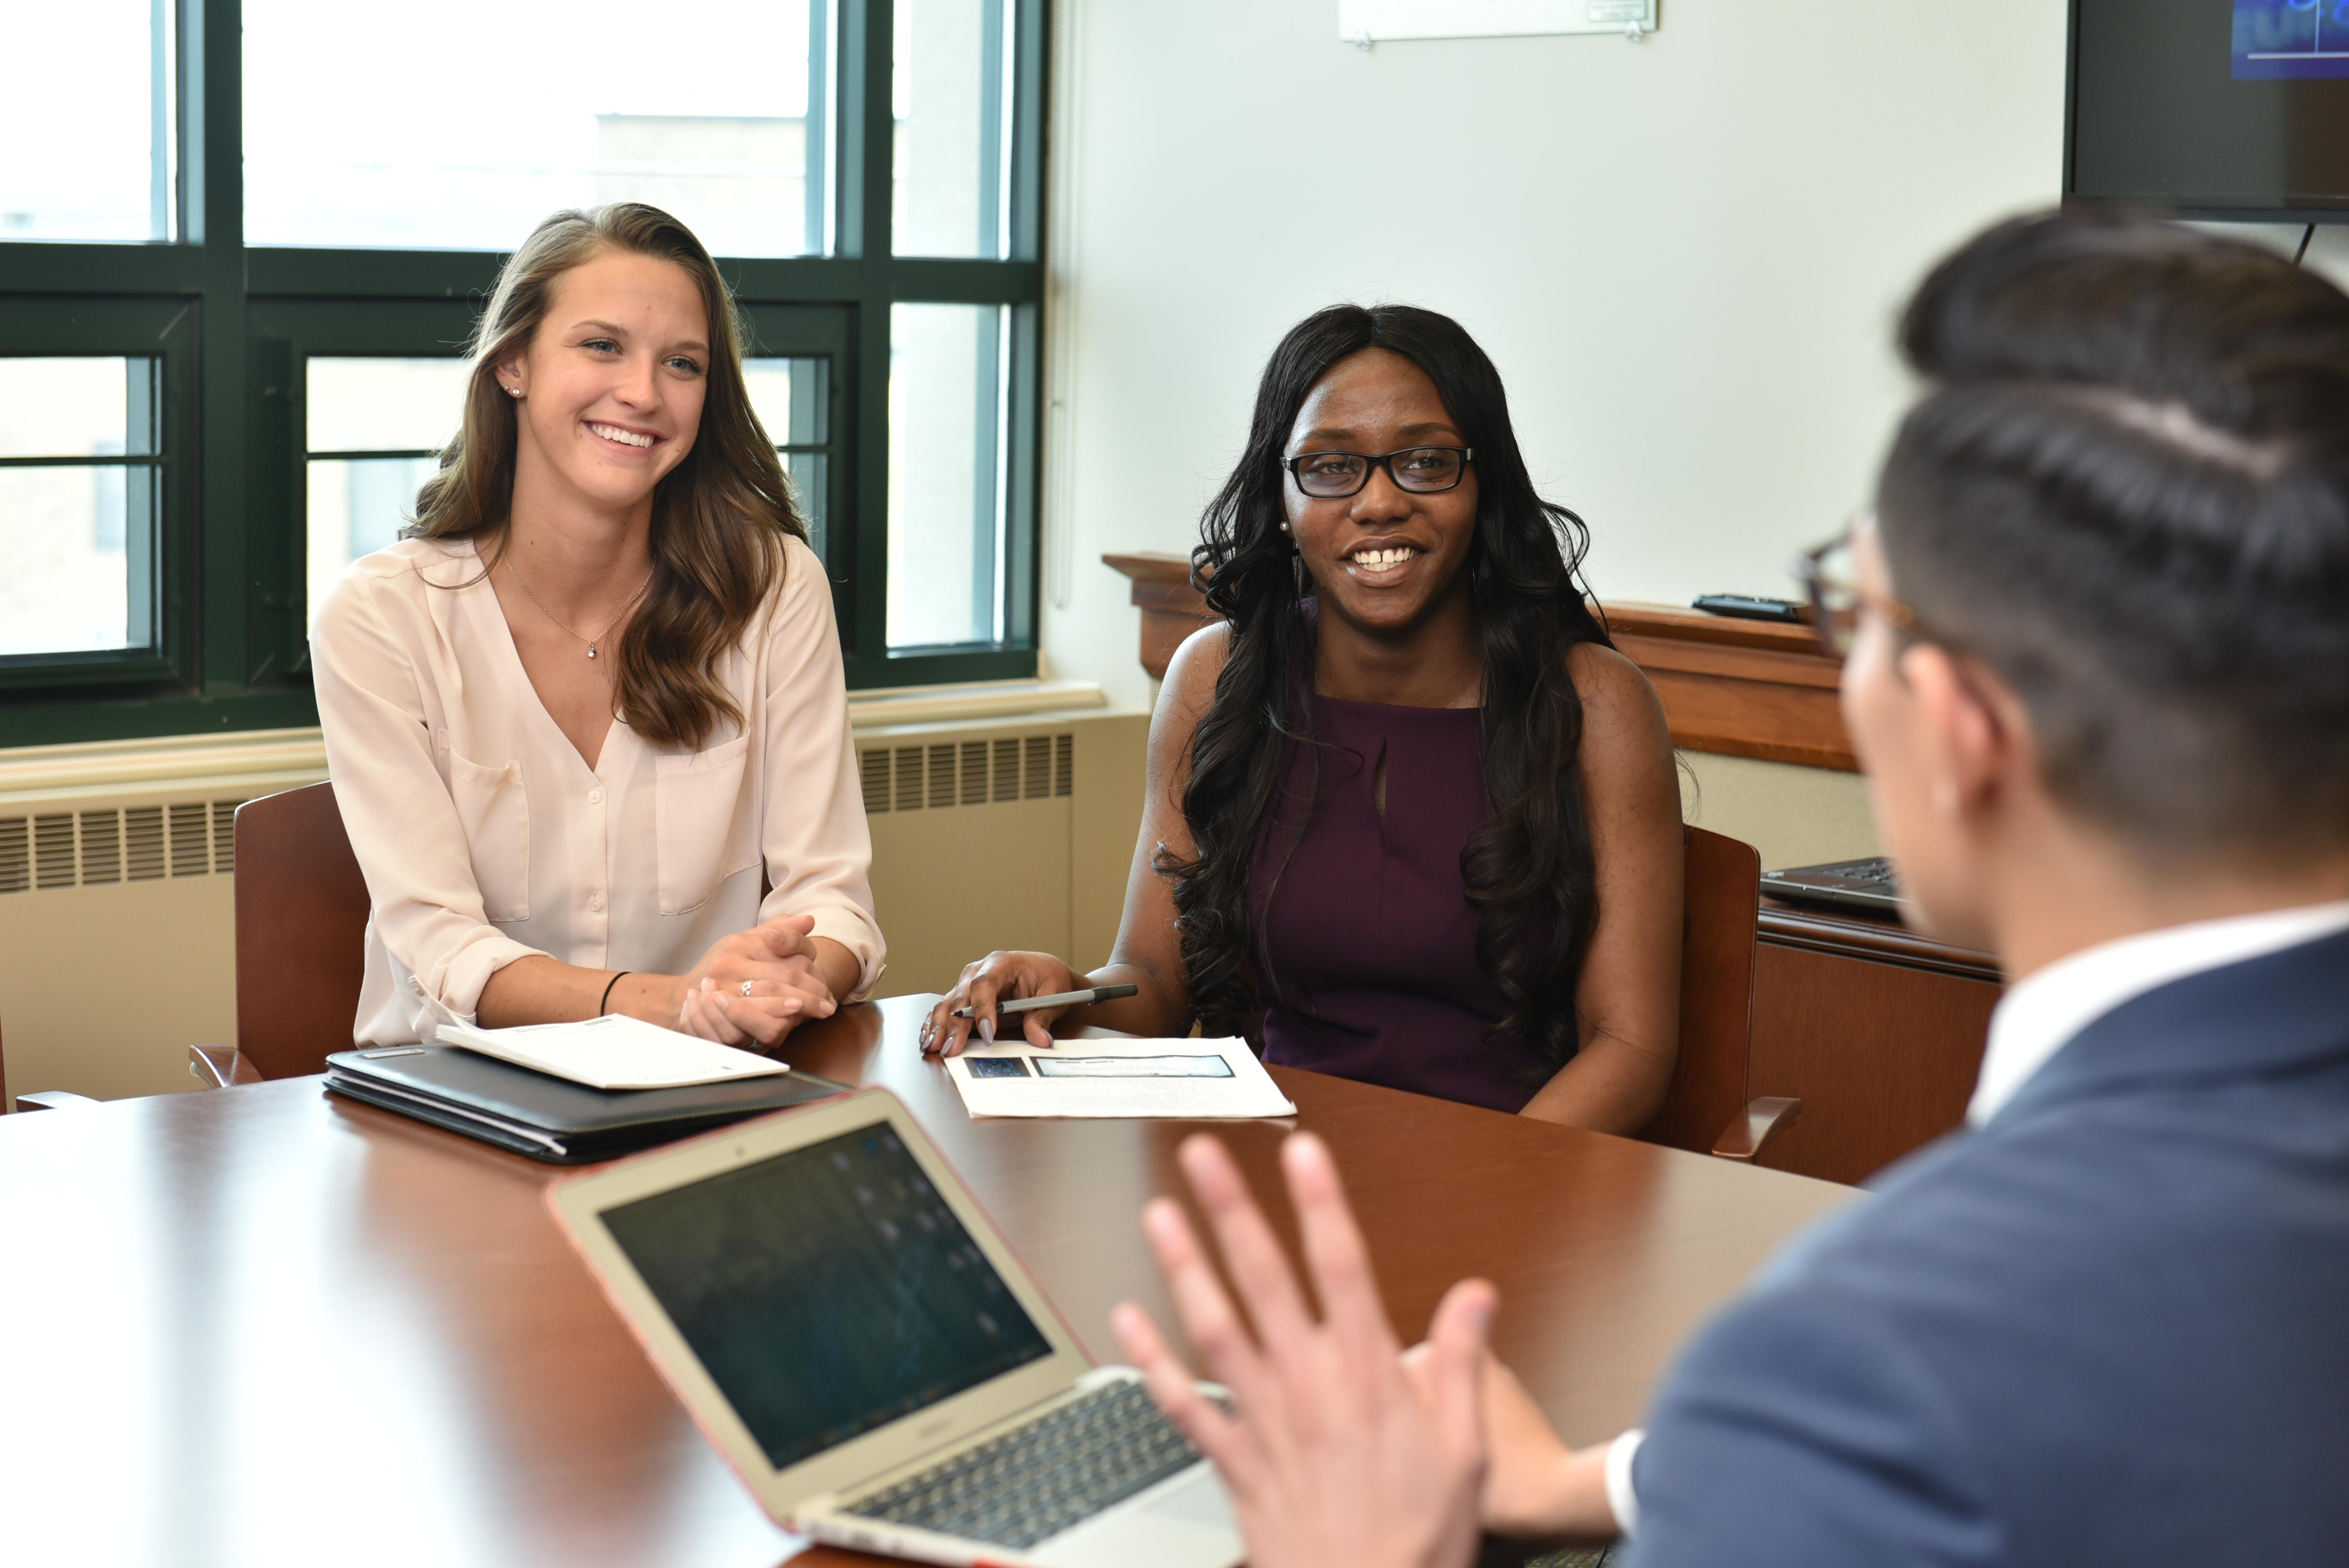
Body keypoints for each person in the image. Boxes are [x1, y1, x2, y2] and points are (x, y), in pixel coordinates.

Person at [1108, 210, 2349, 1566]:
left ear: (1960, 725)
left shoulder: (1864, 1354)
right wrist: (1631, 1479)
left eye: (1850, 615)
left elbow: (1885, 1427)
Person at [927, 306, 1685, 1131]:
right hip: (1268, 1170)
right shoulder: (1216, 675)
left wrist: (1491, 1197)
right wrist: (1064, 991)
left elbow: (1630, 1045)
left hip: (1519, 1182)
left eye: (1425, 461)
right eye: (1329, 467)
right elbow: (1152, 973)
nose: (1378, 502)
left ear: (1482, 481)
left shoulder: (1594, 701)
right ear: (1280, 493)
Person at [312, 203, 881, 1050]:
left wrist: (780, 979)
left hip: (709, 1087)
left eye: (681, 363)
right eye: (601, 345)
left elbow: (832, 901)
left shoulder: (774, 590)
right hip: (457, 1109)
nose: (643, 394)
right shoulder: (383, 616)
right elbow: (442, 952)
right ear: (513, 364)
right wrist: (673, 1000)